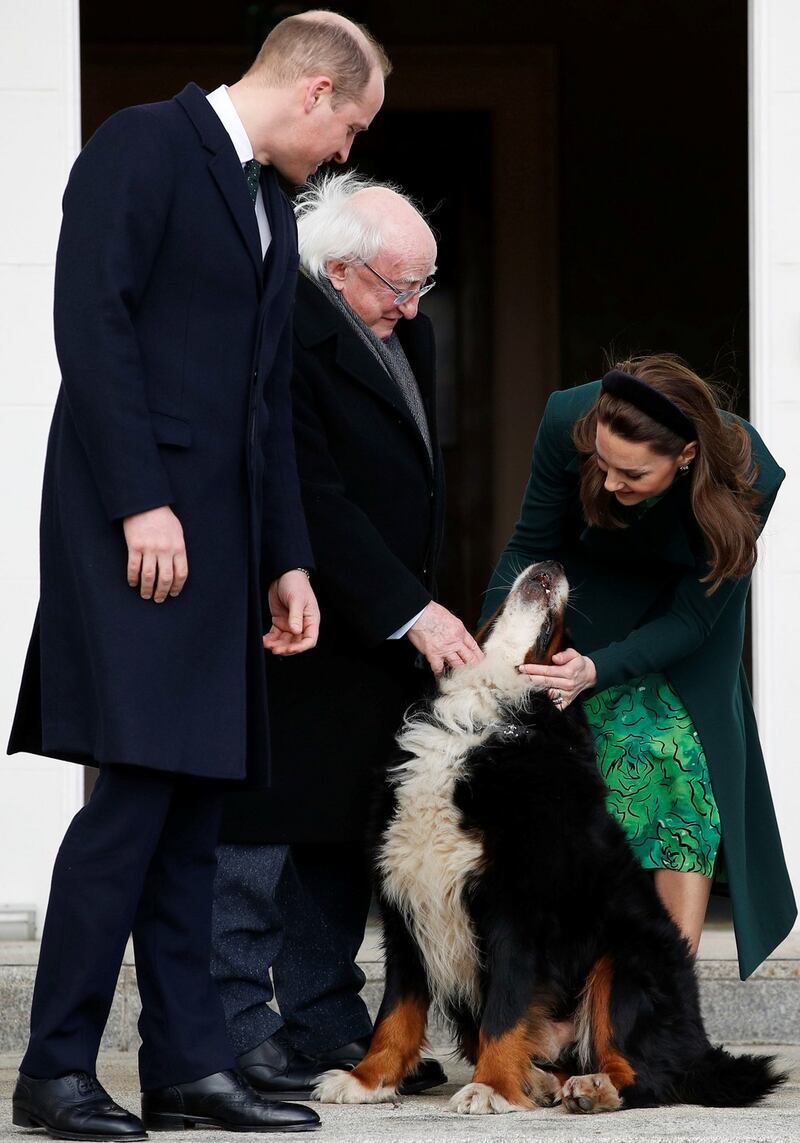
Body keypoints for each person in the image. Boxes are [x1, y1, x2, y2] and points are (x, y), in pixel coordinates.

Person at [7, 13, 388, 1140]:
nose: (346, 154)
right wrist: (140, 500)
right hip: (135, 529)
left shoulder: (268, 204)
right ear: (315, 91)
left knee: (193, 815)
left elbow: (266, 400)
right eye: (352, 126)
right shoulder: (140, 145)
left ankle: (185, 1066)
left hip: (222, 549)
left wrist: (287, 560)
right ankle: (55, 1071)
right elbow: (93, 324)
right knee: (131, 802)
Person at [211, 172, 481, 1100]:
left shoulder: (408, 325)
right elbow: (311, 493)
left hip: (370, 631)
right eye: (395, 287)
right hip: (293, 615)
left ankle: (328, 1026)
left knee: (339, 832)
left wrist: (407, 604)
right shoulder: (284, 320)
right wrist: (409, 605)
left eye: (423, 286)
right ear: (336, 267)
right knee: (255, 835)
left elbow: (412, 482)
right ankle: (240, 1031)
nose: (411, 308)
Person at [481, 355, 796, 978]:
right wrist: (495, 644)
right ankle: (559, 995)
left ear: (684, 457)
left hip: (688, 624)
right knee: (564, 775)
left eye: (632, 473)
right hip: (589, 604)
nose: (610, 480)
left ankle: (660, 998)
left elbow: (694, 619)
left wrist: (598, 670)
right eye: (601, 462)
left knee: (678, 766)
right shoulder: (567, 415)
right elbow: (531, 543)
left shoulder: (748, 470)